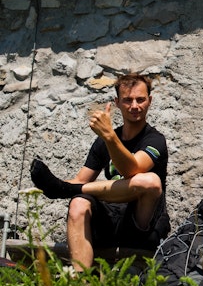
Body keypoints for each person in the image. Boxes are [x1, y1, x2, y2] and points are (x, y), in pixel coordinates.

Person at [30, 74, 170, 272]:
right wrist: (47, 185)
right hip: (109, 220)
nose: (134, 106)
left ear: (150, 101)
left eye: (140, 99)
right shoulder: (104, 141)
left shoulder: (155, 140)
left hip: (141, 225)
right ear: (117, 103)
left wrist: (109, 136)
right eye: (127, 100)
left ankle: (63, 189)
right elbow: (81, 180)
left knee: (150, 181)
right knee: (78, 202)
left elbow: (132, 170)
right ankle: (81, 281)